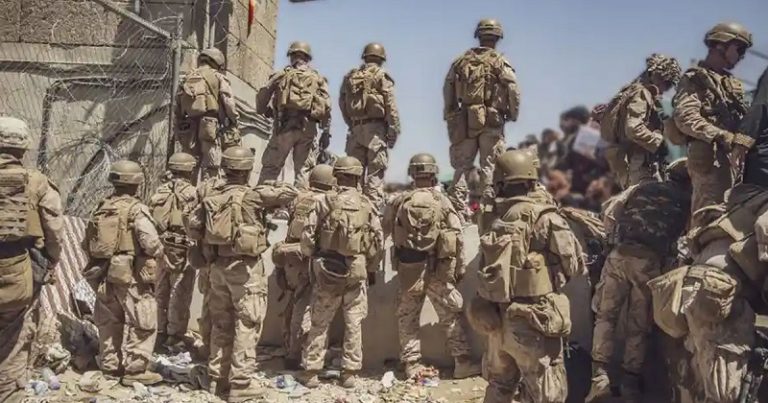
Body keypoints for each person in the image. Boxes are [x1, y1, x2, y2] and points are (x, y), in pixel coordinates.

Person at [472, 149, 585, 403]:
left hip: (496, 318)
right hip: (532, 319)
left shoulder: (492, 218)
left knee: (500, 386)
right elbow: (574, 265)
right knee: (547, 392)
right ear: (531, 179)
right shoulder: (545, 217)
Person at [185, 146, 297, 401]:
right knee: (247, 324)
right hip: (245, 270)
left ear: (225, 169)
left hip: (217, 268)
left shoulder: (212, 198)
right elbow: (289, 193)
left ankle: (217, 379)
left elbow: (193, 227)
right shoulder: (253, 196)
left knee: (221, 323)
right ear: (247, 170)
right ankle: (241, 383)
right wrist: (268, 185)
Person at [586, 159, 691, 402]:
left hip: (619, 255)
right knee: (639, 325)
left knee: (605, 316)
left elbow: (610, 214)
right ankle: (630, 383)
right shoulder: (687, 200)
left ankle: (599, 377)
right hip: (649, 263)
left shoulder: (641, 188)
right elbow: (687, 237)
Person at [382, 153, 480, 380]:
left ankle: (411, 365)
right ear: (434, 174)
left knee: (407, 317)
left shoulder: (399, 201)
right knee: (450, 315)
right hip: (438, 269)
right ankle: (462, 362)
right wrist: (459, 268)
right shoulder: (442, 201)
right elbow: (457, 236)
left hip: (409, 268)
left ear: (412, 174)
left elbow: (384, 230)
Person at [298, 156, 383, 389]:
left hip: (328, 269)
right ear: (358, 177)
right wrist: (371, 267)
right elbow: (378, 240)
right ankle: (349, 374)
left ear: (336, 175)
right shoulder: (366, 203)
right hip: (356, 270)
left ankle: (311, 372)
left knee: (319, 322)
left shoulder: (323, 201)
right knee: (354, 323)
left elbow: (307, 235)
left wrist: (313, 256)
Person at [0, 117, 63, 401]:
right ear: (24, 147)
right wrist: (51, 260)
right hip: (17, 269)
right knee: (15, 338)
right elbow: (54, 229)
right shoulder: (37, 182)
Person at [85, 159, 164, 386]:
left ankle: (110, 365)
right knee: (143, 320)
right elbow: (150, 243)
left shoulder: (102, 207)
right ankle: (135, 370)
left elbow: (86, 241)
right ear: (137, 183)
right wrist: (160, 251)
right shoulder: (137, 210)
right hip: (131, 276)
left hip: (104, 273)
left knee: (109, 321)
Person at [671, 22, 753, 224]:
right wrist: (720, 135)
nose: (742, 56)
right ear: (720, 45)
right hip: (709, 158)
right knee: (707, 219)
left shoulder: (730, 82)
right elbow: (685, 117)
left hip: (731, 159)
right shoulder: (696, 78)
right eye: (739, 49)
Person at [443, 19, 520, 220]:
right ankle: (487, 213)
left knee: (461, 168)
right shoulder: (500, 61)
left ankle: (457, 213)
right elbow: (513, 88)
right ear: (498, 37)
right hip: (492, 121)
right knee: (490, 168)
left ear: (478, 35)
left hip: (464, 119)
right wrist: (513, 113)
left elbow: (448, 87)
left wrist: (450, 112)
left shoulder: (461, 61)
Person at [272, 164, 336, 369]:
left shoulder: (298, 198)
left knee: (294, 303)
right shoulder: (329, 201)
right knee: (308, 308)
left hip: (292, 258)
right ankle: (299, 354)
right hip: (313, 258)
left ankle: (289, 349)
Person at [257, 41, 332, 188]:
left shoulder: (281, 75)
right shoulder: (318, 79)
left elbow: (263, 93)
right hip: (308, 128)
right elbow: (327, 107)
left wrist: (264, 110)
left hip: (284, 125)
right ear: (308, 58)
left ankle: (262, 199)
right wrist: (325, 131)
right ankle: (300, 201)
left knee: (271, 167)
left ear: (291, 56)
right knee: (303, 170)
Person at [600, 54, 681, 188]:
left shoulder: (629, 91)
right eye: (667, 83)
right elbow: (633, 128)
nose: (666, 89)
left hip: (629, 162)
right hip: (638, 163)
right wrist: (658, 143)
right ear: (657, 77)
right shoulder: (642, 93)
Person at [339, 43, 401, 208]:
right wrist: (393, 130)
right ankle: (372, 213)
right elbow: (390, 104)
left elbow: (342, 103)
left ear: (365, 57)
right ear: (381, 58)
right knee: (375, 174)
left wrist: (352, 124)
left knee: (353, 174)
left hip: (355, 130)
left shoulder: (351, 76)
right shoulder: (381, 75)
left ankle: (351, 210)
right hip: (375, 131)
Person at [149, 152, 199, 351]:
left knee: (160, 290)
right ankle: (175, 337)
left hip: (161, 246)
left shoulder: (160, 191)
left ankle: (159, 332)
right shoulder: (194, 193)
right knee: (180, 292)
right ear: (190, 170)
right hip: (183, 248)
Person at [175, 47, 239, 180]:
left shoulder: (188, 77)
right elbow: (228, 102)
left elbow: (178, 102)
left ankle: (186, 189)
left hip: (189, 125)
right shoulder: (218, 77)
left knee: (189, 162)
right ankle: (208, 190)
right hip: (210, 124)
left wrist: (179, 122)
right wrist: (234, 119)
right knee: (211, 164)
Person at [556, 106, 607, 194]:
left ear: (576, 120)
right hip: (577, 185)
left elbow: (601, 162)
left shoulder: (588, 135)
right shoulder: (573, 138)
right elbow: (568, 162)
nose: (566, 123)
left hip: (590, 187)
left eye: (568, 120)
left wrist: (592, 176)